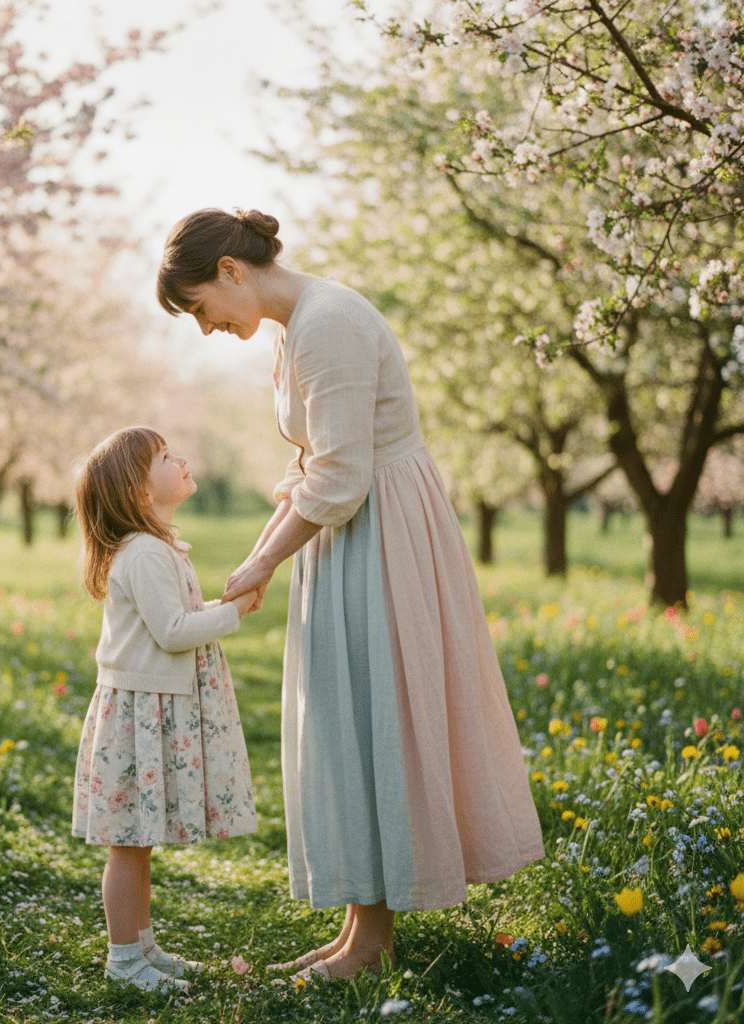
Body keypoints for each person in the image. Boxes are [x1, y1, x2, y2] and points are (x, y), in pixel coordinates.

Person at [156, 208, 545, 983]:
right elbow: (319, 464)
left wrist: (261, 561)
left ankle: (372, 942)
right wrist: (272, 542)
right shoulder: (298, 327)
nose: (206, 329)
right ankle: (359, 930)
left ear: (231, 272)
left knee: (379, 713)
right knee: (354, 715)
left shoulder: (327, 322)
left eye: (200, 307)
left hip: (380, 531)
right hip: (351, 530)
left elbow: (339, 477)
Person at [71, 426, 259, 992]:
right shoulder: (145, 553)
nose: (179, 459)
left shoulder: (156, 547)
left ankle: (143, 946)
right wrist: (235, 611)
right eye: (163, 457)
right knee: (127, 844)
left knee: (137, 840)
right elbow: (173, 631)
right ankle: (123, 959)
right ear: (138, 493)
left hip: (150, 708)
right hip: (139, 717)